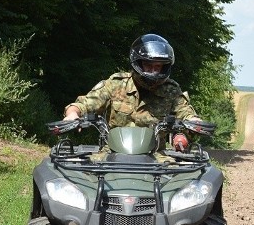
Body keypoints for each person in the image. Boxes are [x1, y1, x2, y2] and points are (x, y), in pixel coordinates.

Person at [63, 33, 198, 151]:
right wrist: (73, 114)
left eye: (158, 67)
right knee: (81, 177)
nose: (153, 71)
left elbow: (186, 113)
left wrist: (193, 123)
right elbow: (86, 104)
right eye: (148, 65)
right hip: (112, 153)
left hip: (156, 157)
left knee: (192, 178)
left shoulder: (171, 90)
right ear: (137, 63)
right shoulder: (116, 83)